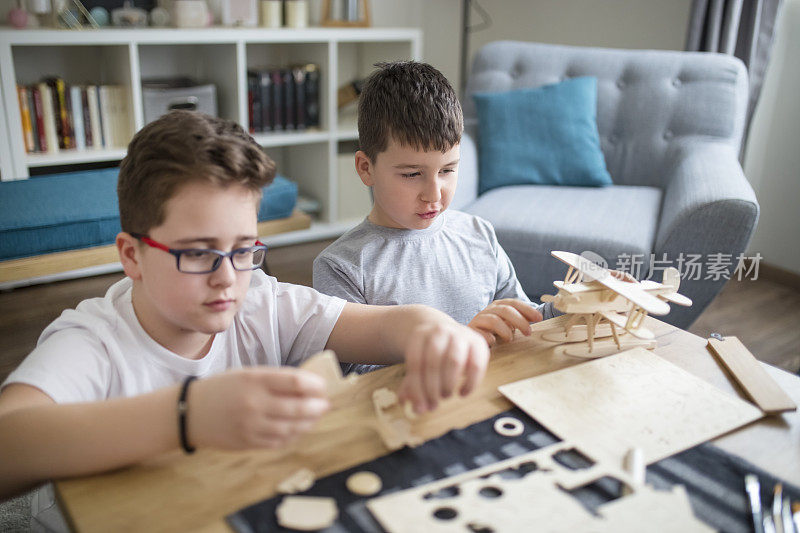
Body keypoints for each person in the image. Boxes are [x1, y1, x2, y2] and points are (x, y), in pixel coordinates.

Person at [0, 111, 489, 529]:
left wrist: (428, 327)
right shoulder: (93, 341)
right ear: (132, 256)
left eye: (242, 250)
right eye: (197, 253)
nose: (226, 280)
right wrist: (189, 415)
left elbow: (383, 326)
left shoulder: (260, 302)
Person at [314, 61, 555, 374]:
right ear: (365, 168)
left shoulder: (478, 234)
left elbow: (526, 321)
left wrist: (576, 303)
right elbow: (350, 383)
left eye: (447, 170)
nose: (434, 193)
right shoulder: (341, 267)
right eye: (412, 173)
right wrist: (459, 344)